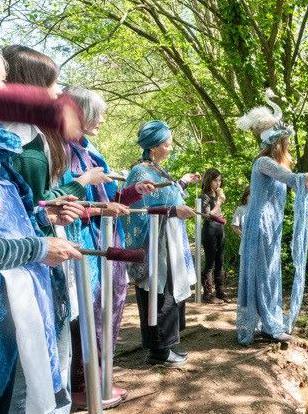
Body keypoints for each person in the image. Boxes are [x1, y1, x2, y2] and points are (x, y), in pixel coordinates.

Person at [2, 44, 105, 413]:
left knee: (47, 353)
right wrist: (78, 187)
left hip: (37, 258)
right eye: (50, 84)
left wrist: (48, 215)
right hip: (20, 270)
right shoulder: (19, 142)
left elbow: (26, 209)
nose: (57, 94)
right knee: (24, 368)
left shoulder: (30, 137)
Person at [62, 86, 155, 408]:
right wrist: (102, 210)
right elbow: (63, 205)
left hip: (106, 243)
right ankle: (80, 386)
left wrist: (134, 192)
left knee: (105, 312)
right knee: (82, 315)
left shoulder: (90, 151)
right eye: (97, 113)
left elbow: (112, 200)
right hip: (82, 245)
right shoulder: (61, 151)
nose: (102, 119)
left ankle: (99, 378)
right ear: (80, 112)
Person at [235, 89, 308, 345]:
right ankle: (271, 327)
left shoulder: (275, 165)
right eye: (285, 141)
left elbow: (301, 184)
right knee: (264, 274)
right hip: (260, 226)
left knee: (270, 273)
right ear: (277, 143)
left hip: (269, 227)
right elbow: (295, 180)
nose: (288, 145)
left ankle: (268, 323)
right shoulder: (263, 164)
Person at [123, 120, 199, 366]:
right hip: (156, 245)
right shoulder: (140, 173)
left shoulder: (157, 170)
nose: (170, 147)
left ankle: (167, 345)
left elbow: (169, 193)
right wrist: (174, 211)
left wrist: (184, 182)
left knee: (170, 292)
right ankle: (159, 351)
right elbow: (139, 209)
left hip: (170, 241)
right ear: (154, 147)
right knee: (159, 292)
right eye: (167, 144)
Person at [199, 168, 227, 304]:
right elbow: (207, 215)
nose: (218, 183)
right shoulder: (204, 196)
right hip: (209, 230)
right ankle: (208, 294)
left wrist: (221, 216)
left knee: (220, 262)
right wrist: (220, 202)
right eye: (216, 180)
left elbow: (217, 214)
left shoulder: (217, 195)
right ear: (209, 180)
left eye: (220, 180)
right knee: (210, 262)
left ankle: (220, 291)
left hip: (220, 230)